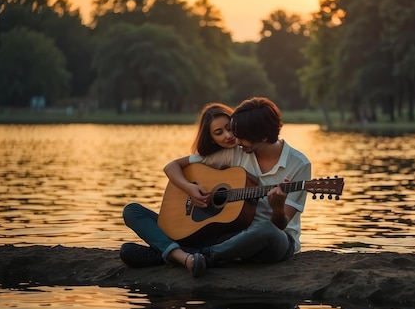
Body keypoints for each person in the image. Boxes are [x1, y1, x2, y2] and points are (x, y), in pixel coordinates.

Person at [165, 97, 311, 266]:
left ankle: (198, 256)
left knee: (266, 230)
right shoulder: (237, 151)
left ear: (263, 137)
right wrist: (190, 188)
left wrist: (277, 208)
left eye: (242, 136)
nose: (236, 140)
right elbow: (175, 165)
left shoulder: (299, 164)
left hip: (275, 240)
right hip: (235, 233)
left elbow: (279, 226)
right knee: (134, 212)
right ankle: (195, 256)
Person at [120, 103, 237, 277]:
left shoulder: (248, 153)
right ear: (211, 138)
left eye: (229, 128)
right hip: (187, 226)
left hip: (209, 232)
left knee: (128, 252)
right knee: (132, 211)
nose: (228, 135)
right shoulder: (212, 158)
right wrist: (190, 188)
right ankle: (184, 256)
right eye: (219, 132)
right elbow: (171, 166)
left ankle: (177, 255)